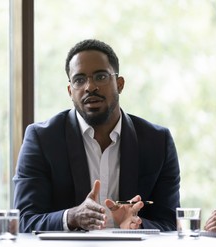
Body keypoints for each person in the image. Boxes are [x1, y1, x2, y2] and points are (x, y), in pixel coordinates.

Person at [13, 38, 181, 233]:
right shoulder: (42, 139)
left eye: (100, 77)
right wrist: (72, 217)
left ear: (119, 84)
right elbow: (24, 220)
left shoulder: (157, 141)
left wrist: (137, 225)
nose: (90, 87)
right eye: (79, 80)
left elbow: (170, 222)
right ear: (70, 91)